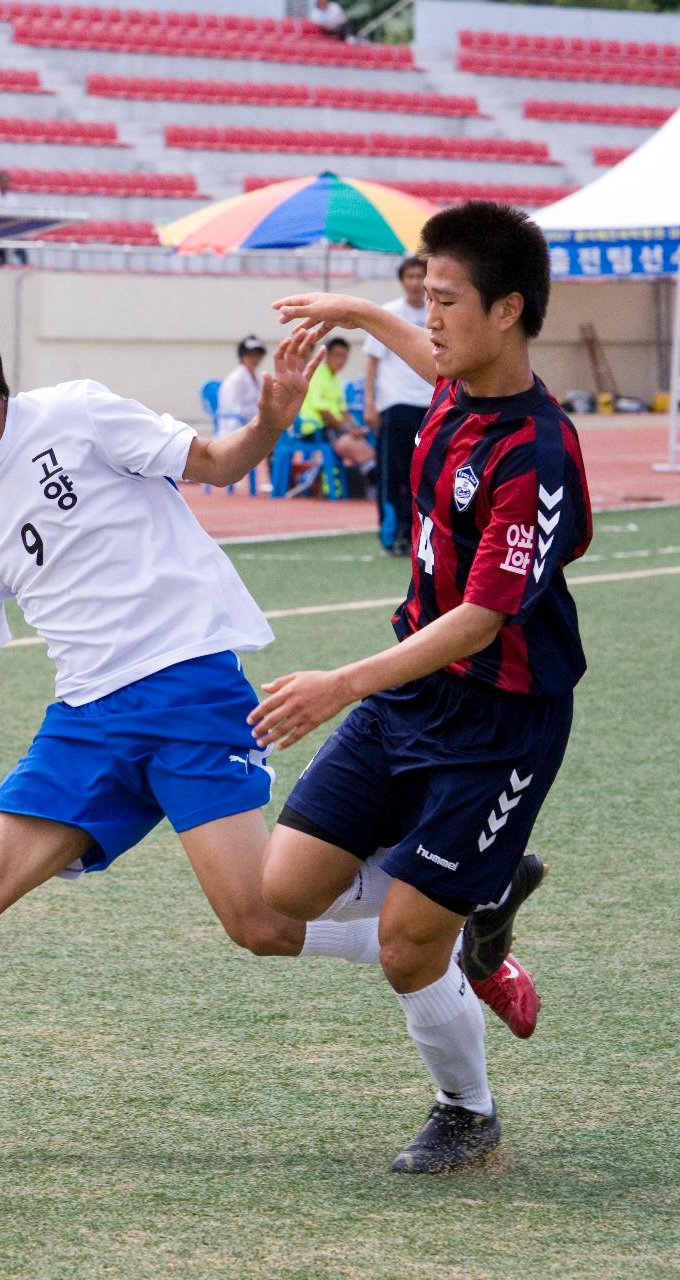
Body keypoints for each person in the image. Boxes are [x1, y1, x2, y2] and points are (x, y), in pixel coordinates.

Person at [0, 287, 537, 1170]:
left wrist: (273, 424)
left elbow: (215, 459)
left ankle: (448, 905)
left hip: (187, 684)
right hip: (86, 718)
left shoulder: (79, 413)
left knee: (257, 920)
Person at [253, 200, 592, 1174]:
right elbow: (415, 344)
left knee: (406, 946)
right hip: (413, 696)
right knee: (283, 895)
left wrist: (339, 682)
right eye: (423, 296)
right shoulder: (452, 380)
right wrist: (356, 311)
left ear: (507, 311)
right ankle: (468, 902)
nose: (428, 316)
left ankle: (466, 1111)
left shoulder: (534, 448)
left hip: (500, 721)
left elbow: (484, 618)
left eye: (445, 299)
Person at [364, 255, 434, 556]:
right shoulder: (389, 315)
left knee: (429, 475)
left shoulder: (437, 315)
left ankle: (420, 535)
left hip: (430, 405)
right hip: (396, 405)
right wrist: (370, 402)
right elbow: (372, 361)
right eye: (410, 277)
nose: (416, 282)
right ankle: (392, 535)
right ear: (402, 281)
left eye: (421, 276)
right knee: (393, 474)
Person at [298, 335, 376, 494]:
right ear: (327, 355)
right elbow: (324, 412)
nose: (341, 360)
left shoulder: (335, 380)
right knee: (351, 442)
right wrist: (348, 430)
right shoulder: (317, 376)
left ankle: (373, 476)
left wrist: (355, 428)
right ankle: (374, 481)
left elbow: (343, 412)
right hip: (314, 429)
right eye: (337, 355)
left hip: (331, 428)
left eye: (344, 356)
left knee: (363, 438)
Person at [217, 335, 266, 436]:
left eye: (258, 355)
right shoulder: (236, 379)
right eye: (250, 355)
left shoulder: (258, 377)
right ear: (242, 357)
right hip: (235, 430)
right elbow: (233, 410)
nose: (255, 358)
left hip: (253, 427)